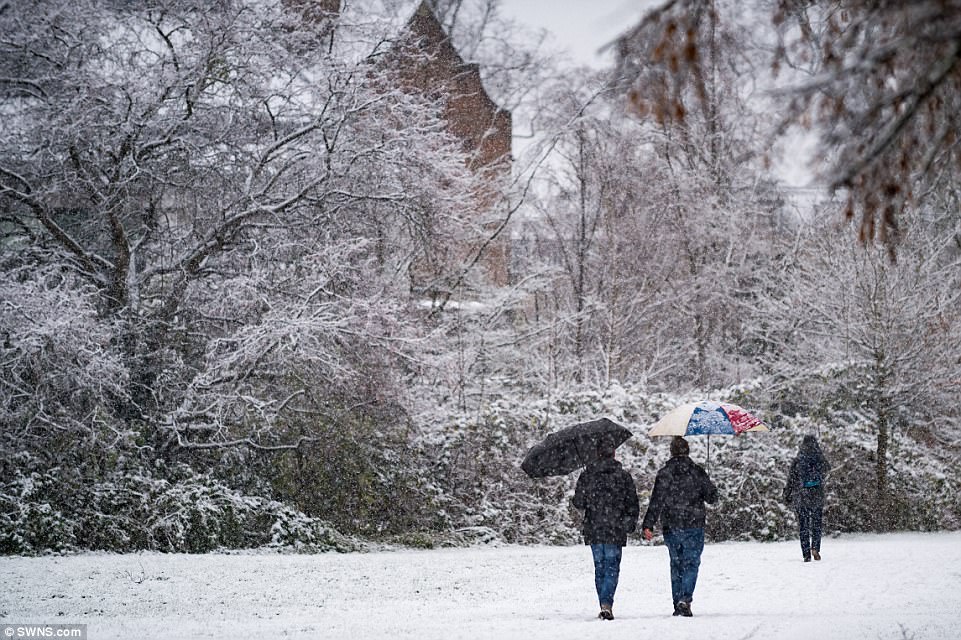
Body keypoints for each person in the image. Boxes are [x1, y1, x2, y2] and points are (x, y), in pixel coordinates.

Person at [641, 436, 718, 617]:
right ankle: (685, 598)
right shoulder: (697, 472)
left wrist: (648, 524)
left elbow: (656, 501)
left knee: (676, 564)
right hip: (694, 524)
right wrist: (711, 487)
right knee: (691, 563)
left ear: (671, 452)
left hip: (672, 524)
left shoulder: (664, 473)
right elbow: (712, 498)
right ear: (688, 451)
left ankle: (678, 602)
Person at [571, 443, 640, 621]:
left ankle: (604, 602)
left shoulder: (587, 475)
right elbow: (632, 503)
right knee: (612, 568)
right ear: (614, 454)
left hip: (594, 528)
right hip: (615, 528)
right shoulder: (623, 476)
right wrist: (629, 522)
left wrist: (583, 493)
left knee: (600, 567)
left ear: (597, 454)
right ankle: (606, 603)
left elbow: (578, 503)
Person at [783, 435, 829, 562]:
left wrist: (787, 494)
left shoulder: (798, 459)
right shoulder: (820, 458)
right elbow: (826, 470)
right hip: (817, 495)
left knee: (803, 525)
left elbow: (791, 480)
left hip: (801, 495)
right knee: (816, 524)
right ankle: (815, 547)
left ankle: (806, 553)